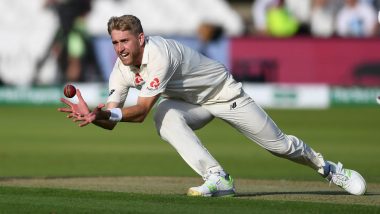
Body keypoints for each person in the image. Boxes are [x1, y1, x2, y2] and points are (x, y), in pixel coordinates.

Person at [58, 15, 366, 197]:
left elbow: (137, 114)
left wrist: (101, 112)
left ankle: (328, 169)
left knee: (280, 146)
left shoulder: (160, 54)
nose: (120, 49)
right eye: (115, 43)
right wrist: (94, 115)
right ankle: (217, 177)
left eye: (125, 41)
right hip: (190, 103)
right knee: (165, 115)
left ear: (141, 38)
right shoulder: (121, 69)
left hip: (224, 94)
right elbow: (112, 118)